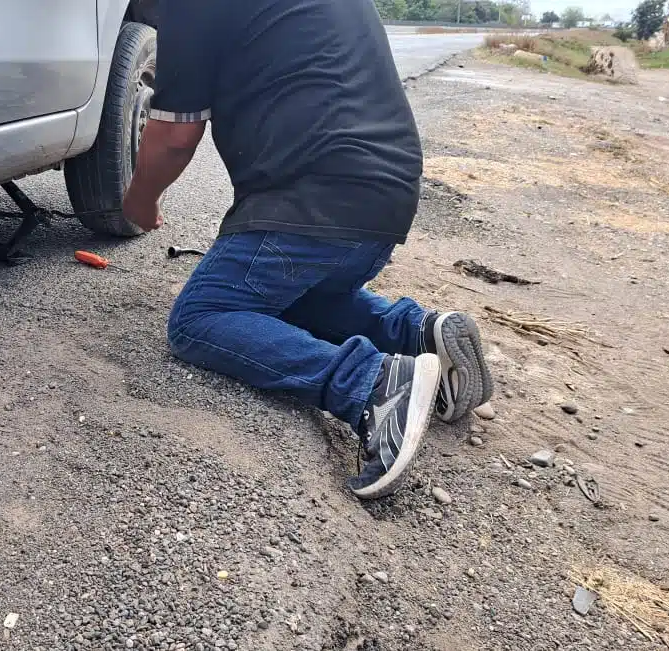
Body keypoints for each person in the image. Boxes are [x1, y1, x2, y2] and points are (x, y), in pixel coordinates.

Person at [120, 0, 492, 499]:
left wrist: (139, 202)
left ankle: (372, 385)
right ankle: (416, 335)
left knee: (200, 317)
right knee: (290, 297)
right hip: (386, 204)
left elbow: (173, 136)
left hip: (313, 203)